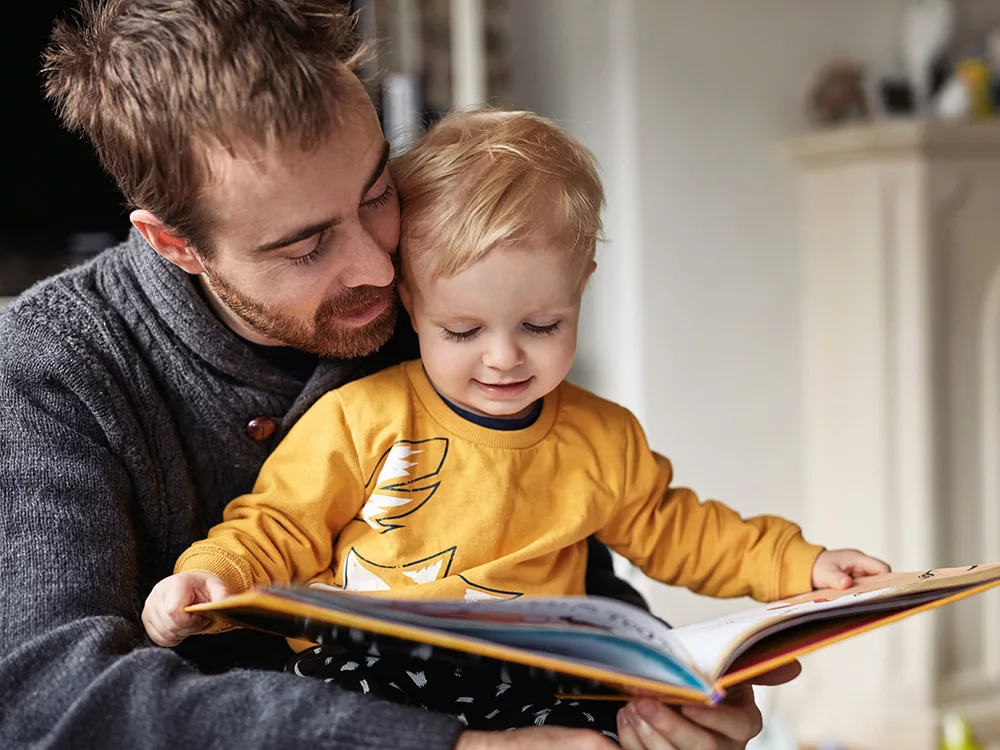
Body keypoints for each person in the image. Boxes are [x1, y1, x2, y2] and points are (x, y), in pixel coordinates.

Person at [0, 1, 798, 749]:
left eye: (378, 191)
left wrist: (647, 702)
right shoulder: (50, 367)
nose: (380, 267)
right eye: (305, 246)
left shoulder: (443, 305)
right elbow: (50, 698)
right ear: (175, 244)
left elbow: (562, 558)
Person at [142, 109, 890, 738]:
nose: (504, 359)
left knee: (625, 722)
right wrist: (214, 579)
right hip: (381, 667)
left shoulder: (602, 439)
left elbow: (683, 530)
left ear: (582, 286)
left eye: (540, 323)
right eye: (462, 332)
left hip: (534, 673)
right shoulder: (363, 416)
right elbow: (279, 526)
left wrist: (804, 567)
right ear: (409, 300)